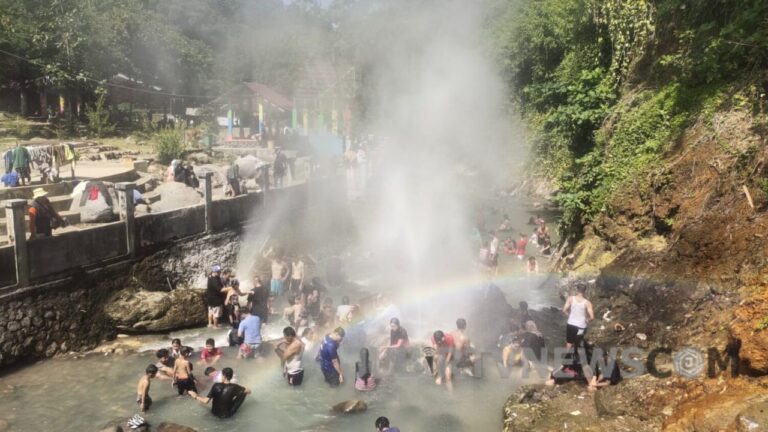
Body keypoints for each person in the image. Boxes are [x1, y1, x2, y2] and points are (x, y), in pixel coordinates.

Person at [563, 283, 594, 350]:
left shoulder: (570, 299)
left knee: (569, 342)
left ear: (577, 290)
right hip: (581, 326)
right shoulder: (587, 303)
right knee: (578, 343)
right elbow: (592, 317)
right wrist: (587, 320)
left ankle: (566, 358)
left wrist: (569, 315)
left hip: (571, 323)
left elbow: (564, 310)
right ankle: (576, 358)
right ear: (584, 291)